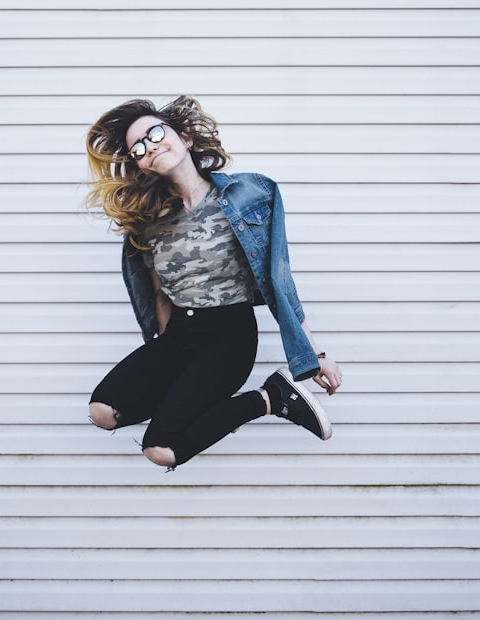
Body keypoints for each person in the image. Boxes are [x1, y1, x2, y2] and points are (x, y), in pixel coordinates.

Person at [85, 95, 343, 470]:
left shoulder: (251, 195)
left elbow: (279, 281)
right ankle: (202, 400)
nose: (150, 146)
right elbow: (156, 292)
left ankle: (269, 399)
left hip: (229, 338)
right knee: (102, 411)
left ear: (185, 138)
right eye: (138, 148)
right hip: (178, 336)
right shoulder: (146, 221)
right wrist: (163, 354)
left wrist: (313, 355)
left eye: (155, 132)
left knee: (161, 451)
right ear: (141, 166)